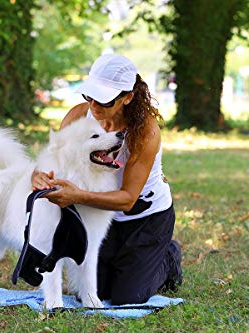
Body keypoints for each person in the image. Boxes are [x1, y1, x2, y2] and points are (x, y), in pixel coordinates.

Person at [32, 53, 182, 305]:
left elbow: (127, 199)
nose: (93, 105)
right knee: (89, 292)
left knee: (128, 297)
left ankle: (167, 257)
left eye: (103, 99)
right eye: (89, 95)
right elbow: (55, 161)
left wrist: (77, 196)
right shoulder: (78, 116)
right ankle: (123, 263)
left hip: (143, 218)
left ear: (127, 97)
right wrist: (37, 176)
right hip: (97, 216)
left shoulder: (145, 132)